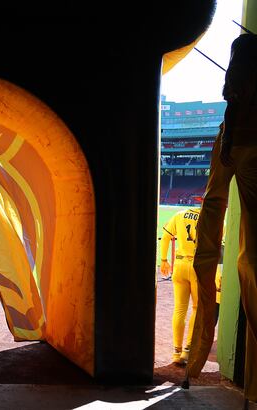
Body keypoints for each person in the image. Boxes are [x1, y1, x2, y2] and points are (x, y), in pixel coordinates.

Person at [184, 33, 257, 407]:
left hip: (232, 144)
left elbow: (232, 105)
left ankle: (197, 353)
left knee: (207, 246)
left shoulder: (236, 90)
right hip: (250, 146)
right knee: (250, 260)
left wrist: (227, 142)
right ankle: (254, 386)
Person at [160, 207, 200, 365]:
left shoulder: (179, 214)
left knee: (179, 309)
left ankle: (176, 352)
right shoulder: (211, 217)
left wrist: (163, 260)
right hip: (198, 267)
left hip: (180, 265)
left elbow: (165, 238)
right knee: (197, 308)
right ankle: (187, 351)